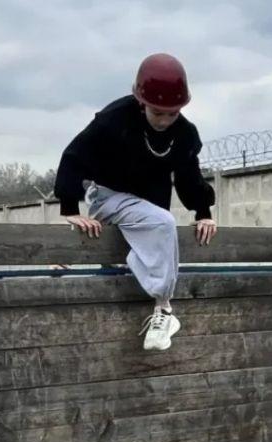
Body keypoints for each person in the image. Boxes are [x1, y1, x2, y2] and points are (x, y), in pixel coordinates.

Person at [54, 52, 218, 350]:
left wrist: (203, 212)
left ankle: (86, 269)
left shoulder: (183, 133)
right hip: (109, 198)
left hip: (143, 211)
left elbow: (189, 175)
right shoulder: (114, 120)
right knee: (163, 224)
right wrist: (69, 208)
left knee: (144, 241)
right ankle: (164, 308)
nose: (165, 121)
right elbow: (75, 156)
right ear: (142, 103)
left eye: (172, 114)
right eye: (158, 113)